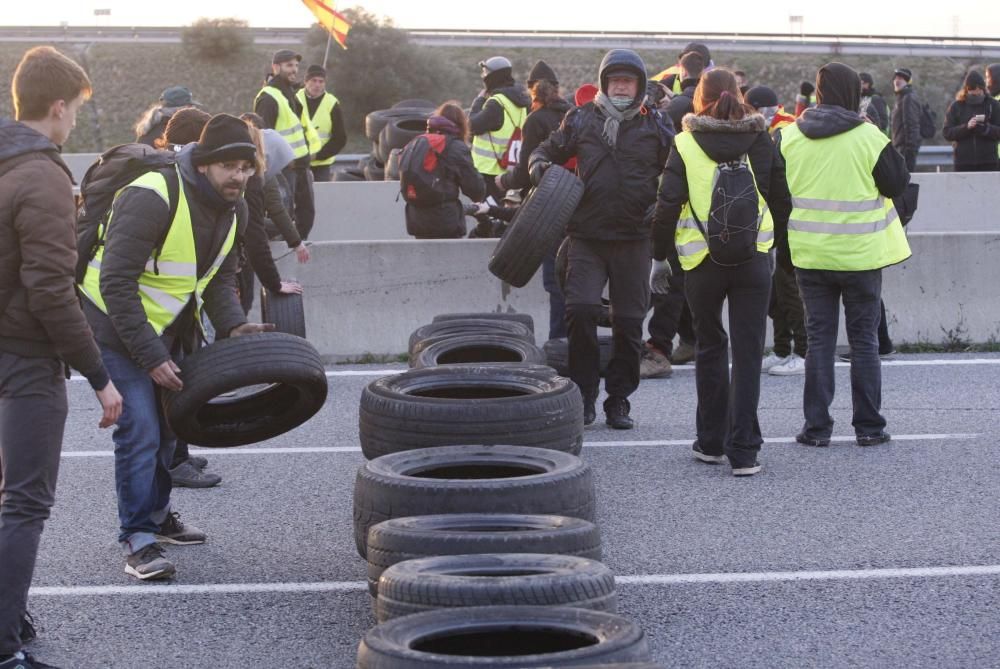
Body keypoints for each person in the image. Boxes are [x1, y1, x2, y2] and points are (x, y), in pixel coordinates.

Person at [78, 113, 274, 581]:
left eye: (247, 168)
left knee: (171, 429)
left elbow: (219, 279)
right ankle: (137, 539)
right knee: (141, 429)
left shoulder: (236, 208)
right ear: (205, 164)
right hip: (108, 322)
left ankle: (160, 517)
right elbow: (116, 283)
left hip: (165, 327)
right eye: (230, 166)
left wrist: (233, 326)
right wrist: (152, 357)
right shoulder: (152, 195)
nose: (240, 177)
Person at [0, 46, 123, 669]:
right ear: (56, 107)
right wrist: (100, 376)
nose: (73, 122)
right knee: (24, 501)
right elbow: (52, 287)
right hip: (23, 359)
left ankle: (9, 614)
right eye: (74, 111)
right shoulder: (42, 174)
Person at [652, 68, 791, 476]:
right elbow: (781, 199)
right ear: (739, 96)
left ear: (699, 100)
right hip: (753, 261)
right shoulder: (761, 138)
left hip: (702, 263)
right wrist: (770, 244)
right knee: (748, 354)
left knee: (710, 347)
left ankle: (711, 443)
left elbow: (666, 206)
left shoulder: (685, 141)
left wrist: (659, 257)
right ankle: (744, 450)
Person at [531, 49, 675, 429]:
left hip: (634, 239)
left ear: (640, 86)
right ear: (605, 84)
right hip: (586, 236)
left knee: (628, 322)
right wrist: (538, 166)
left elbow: (678, 171)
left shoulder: (657, 125)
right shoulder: (580, 119)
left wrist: (662, 205)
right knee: (578, 310)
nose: (622, 87)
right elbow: (545, 150)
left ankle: (619, 399)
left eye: (629, 81)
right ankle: (584, 396)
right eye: (616, 81)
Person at [774, 62, 911, 450]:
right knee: (864, 341)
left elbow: (776, 195)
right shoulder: (868, 136)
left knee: (819, 341)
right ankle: (869, 427)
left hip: (811, 256)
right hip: (860, 257)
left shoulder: (788, 138)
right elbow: (897, 182)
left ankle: (816, 429)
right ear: (854, 94)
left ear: (818, 93)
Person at [153, 107, 225, 489]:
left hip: (180, 309)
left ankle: (178, 454)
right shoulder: (170, 182)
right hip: (159, 314)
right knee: (171, 391)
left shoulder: (185, 176)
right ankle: (173, 462)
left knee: (182, 382)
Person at [497, 60, 572, 339]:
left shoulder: (536, 120)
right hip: (576, 203)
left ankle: (558, 342)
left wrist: (503, 181)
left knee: (555, 280)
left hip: (550, 209)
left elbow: (526, 174)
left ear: (532, 92)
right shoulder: (572, 115)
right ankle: (576, 339)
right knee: (576, 280)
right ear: (556, 89)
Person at [746, 85, 807, 375]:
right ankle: (782, 348)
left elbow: (783, 183)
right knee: (776, 294)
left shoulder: (784, 132)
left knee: (789, 289)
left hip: (789, 220)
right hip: (771, 221)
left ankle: (803, 352)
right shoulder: (771, 131)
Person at [254, 49, 318, 239]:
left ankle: (298, 249)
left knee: (306, 214)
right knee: (284, 216)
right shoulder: (268, 98)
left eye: (297, 66)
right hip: (283, 170)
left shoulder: (289, 94)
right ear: (276, 67)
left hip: (300, 167)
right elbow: (262, 137)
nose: (294, 70)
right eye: (289, 65)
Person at [404, 103, 486, 239]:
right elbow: (475, 189)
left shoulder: (418, 143)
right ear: (461, 125)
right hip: (445, 221)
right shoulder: (455, 146)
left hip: (416, 221)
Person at [470, 56, 531, 201]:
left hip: (490, 170)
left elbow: (472, 126)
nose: (483, 77)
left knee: (489, 211)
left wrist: (479, 100)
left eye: (485, 73)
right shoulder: (522, 100)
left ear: (492, 77)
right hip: (511, 170)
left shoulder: (496, 102)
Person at [942, 70, 1000, 172]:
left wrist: (986, 129)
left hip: (988, 162)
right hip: (963, 163)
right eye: (973, 90)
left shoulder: (993, 105)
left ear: (983, 88)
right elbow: (947, 133)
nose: (977, 92)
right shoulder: (956, 106)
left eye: (979, 90)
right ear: (966, 89)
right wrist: (966, 127)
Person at [296, 64, 346, 183]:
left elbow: (340, 139)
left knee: (320, 198)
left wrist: (317, 155)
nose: (317, 85)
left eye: (321, 81)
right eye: (314, 81)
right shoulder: (295, 99)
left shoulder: (332, 103)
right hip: (297, 163)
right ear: (306, 81)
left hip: (321, 165)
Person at [891, 67, 922, 172]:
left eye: (901, 78)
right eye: (895, 78)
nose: (896, 81)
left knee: (905, 184)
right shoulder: (901, 97)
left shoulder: (908, 97)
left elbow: (911, 124)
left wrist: (910, 149)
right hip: (900, 148)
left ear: (907, 82)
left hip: (905, 149)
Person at [665, 51, 705, 132]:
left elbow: (657, 124)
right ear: (702, 73)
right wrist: (675, 98)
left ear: (684, 72)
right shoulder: (710, 96)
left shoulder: (679, 103)